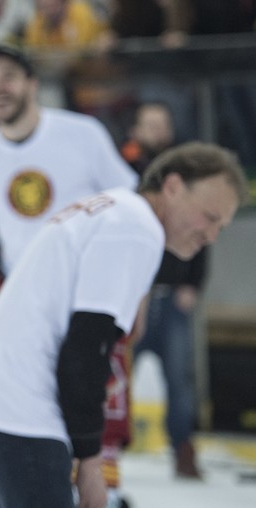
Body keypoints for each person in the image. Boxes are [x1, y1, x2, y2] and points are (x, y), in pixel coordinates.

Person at [0, 141, 249, 508]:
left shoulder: (113, 210)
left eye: (221, 226)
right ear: (172, 186)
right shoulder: (135, 229)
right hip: (20, 410)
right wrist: (90, 461)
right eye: (209, 217)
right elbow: (86, 351)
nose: (212, 236)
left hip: (2, 403)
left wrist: (12, 466)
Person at [0, 45, 137, 361]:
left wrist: (136, 296)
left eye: (8, 76)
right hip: (26, 310)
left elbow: (131, 211)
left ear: (32, 84)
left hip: (91, 302)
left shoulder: (84, 135)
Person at [123, 101, 207, 479]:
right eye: (151, 124)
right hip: (131, 296)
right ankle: (104, 449)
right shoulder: (121, 171)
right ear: (136, 130)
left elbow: (203, 231)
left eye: (163, 124)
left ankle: (183, 448)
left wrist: (192, 283)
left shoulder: (187, 176)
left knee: (179, 377)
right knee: (115, 375)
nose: (158, 131)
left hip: (172, 294)